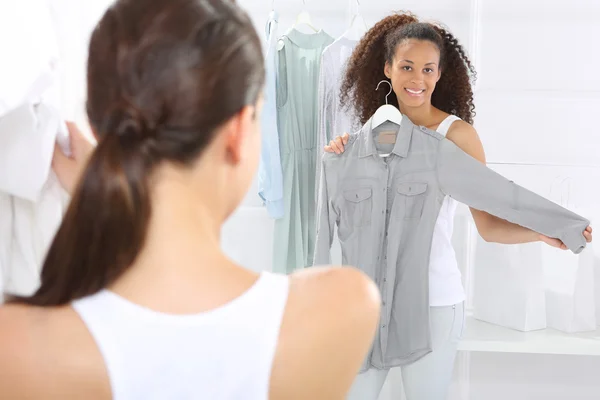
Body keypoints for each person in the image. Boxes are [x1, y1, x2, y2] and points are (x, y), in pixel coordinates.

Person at [0, 1, 382, 399]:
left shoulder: (18, 346)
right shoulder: (342, 306)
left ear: (98, 126)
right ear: (237, 132)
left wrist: (100, 197)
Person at [323, 12, 593, 400]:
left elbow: (496, 211)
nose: (417, 79)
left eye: (427, 69)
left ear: (439, 74)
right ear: (388, 69)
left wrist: (545, 230)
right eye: (407, 67)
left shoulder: (456, 138)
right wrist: (340, 157)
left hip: (433, 301)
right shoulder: (368, 137)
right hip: (368, 302)